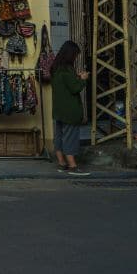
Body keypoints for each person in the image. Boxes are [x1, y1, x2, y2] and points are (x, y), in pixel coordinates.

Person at [51, 41, 90, 177]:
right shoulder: (67, 69)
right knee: (70, 138)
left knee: (59, 137)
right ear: (70, 55)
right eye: (75, 55)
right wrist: (83, 79)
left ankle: (62, 163)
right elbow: (75, 88)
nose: (76, 58)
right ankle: (73, 166)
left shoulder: (56, 68)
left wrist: (76, 77)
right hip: (70, 111)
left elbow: (65, 84)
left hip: (58, 110)